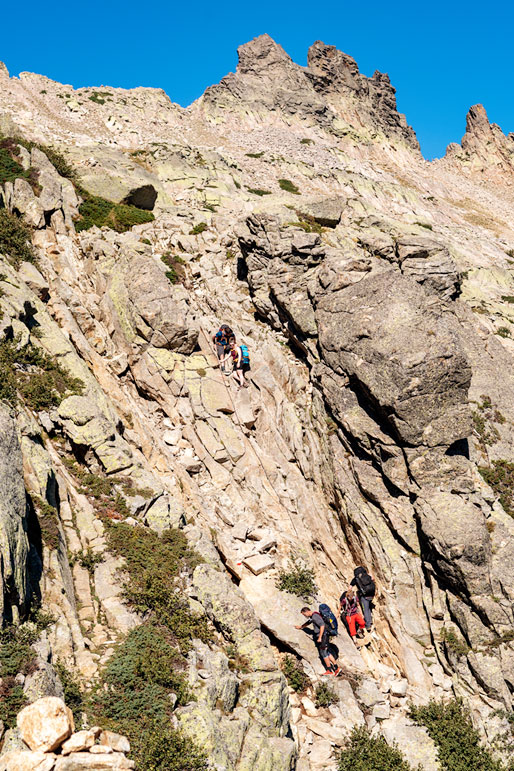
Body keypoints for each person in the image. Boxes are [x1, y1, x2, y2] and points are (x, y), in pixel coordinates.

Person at [295, 607, 341, 676]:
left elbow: (322, 625)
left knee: (323, 653)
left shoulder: (315, 616)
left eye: (304, 614)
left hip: (323, 637)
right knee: (327, 652)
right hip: (324, 636)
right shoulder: (314, 615)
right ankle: (337, 668)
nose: (305, 616)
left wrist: (319, 637)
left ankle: (329, 670)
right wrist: (301, 627)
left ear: (306, 612)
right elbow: (309, 622)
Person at [350, 566, 375, 632]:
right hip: (372, 594)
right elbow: (373, 579)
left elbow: (350, 587)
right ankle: (370, 620)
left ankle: (368, 625)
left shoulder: (356, 579)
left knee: (365, 610)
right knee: (369, 607)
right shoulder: (367, 575)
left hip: (365, 595)